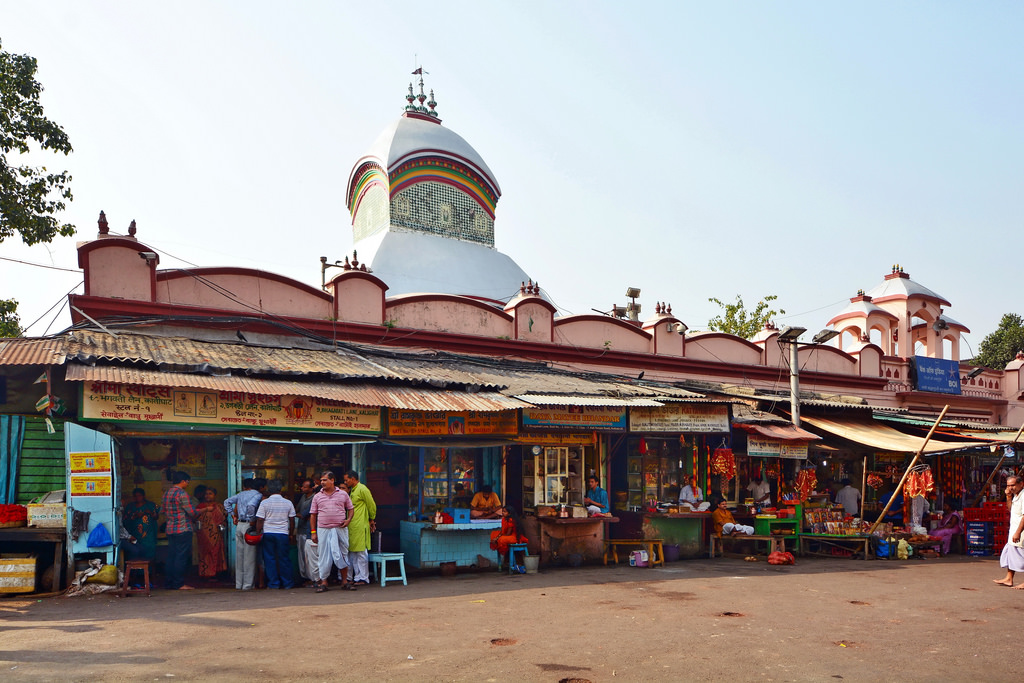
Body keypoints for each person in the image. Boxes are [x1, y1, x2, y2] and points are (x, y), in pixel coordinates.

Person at [310, 471, 354, 593]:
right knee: (323, 555)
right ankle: (324, 582)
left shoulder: (343, 494)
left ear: (332, 480)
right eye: (322, 480)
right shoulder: (317, 496)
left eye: (325, 480)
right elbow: (313, 515)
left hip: (340, 529)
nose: (322, 482)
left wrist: (348, 520)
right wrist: (313, 532)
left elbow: (351, 509)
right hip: (323, 529)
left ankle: (345, 581)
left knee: (343, 554)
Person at [254, 479, 296, 590]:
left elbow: (260, 520)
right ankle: (287, 583)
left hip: (268, 533)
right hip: (282, 533)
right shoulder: (288, 503)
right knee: (284, 559)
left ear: (269, 489)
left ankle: (273, 584)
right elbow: (292, 520)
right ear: (280, 489)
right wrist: (291, 534)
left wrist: (258, 532)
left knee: (270, 559)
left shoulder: (265, 503)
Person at [223, 478, 264, 591]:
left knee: (239, 556)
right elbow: (251, 506)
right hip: (248, 526)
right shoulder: (257, 495)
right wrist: (252, 519)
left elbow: (226, 502)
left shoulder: (240, 494)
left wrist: (233, 515)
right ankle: (247, 585)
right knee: (249, 557)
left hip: (239, 525)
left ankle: (238, 584)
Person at [161, 471, 198, 590]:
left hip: (170, 529)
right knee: (181, 557)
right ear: (183, 481)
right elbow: (192, 513)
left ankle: (169, 583)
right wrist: (204, 510)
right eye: (187, 482)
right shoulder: (182, 494)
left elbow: (162, 511)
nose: (188, 484)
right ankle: (179, 584)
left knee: (171, 556)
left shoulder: (166, 493)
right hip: (183, 528)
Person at [343, 470, 377, 586]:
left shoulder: (362, 489)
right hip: (353, 526)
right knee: (353, 553)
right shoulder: (353, 491)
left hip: (360, 525)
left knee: (361, 552)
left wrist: (372, 519)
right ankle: (357, 577)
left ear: (353, 479)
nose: (345, 482)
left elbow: (371, 505)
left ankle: (363, 577)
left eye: (347, 480)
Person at [993, 475, 1024, 588]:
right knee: (1011, 553)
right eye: (1008, 485)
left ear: (1021, 484)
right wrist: (1008, 496)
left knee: (1021, 555)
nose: (1010, 488)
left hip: (1021, 532)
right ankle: (1009, 578)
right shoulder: (1016, 496)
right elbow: (1011, 509)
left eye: (1013, 485)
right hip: (1014, 530)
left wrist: (1018, 532)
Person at [195, 487, 228, 580]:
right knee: (205, 554)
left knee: (216, 553)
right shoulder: (200, 506)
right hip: (203, 534)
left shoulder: (219, 506)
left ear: (215, 495)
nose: (208, 496)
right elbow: (195, 518)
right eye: (206, 494)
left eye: (210, 493)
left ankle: (215, 573)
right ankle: (205, 574)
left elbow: (224, 518)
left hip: (216, 534)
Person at [121, 488, 159, 561]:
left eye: (139, 496)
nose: (137, 498)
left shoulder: (151, 505)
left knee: (149, 553)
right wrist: (134, 516)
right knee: (135, 553)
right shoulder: (130, 506)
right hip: (134, 535)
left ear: (144, 496)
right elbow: (124, 520)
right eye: (135, 496)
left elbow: (156, 517)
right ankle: (136, 572)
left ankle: (149, 571)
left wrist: (149, 512)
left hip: (148, 536)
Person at [294, 478, 317, 584]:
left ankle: (311, 578)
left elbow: (304, 514)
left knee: (308, 557)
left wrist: (292, 514)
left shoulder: (314, 498)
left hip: (307, 531)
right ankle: (305, 577)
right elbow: (298, 510)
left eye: (305, 487)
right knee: (301, 556)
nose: (302, 488)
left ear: (312, 488)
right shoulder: (303, 497)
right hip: (300, 530)